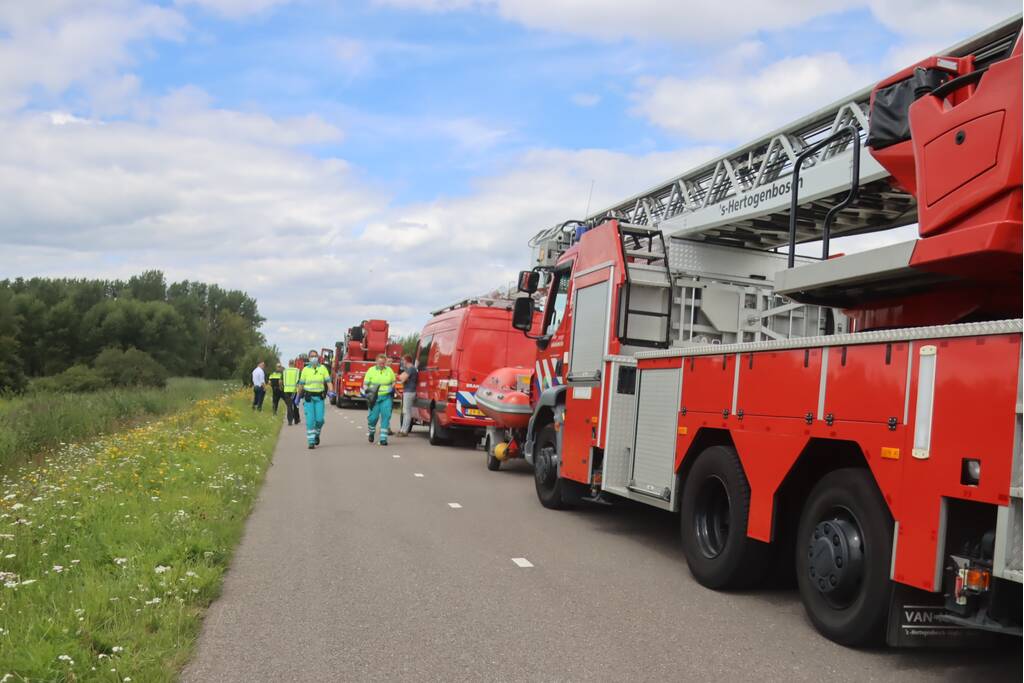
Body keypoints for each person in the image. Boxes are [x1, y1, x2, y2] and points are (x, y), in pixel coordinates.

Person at [296, 349, 331, 449]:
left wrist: (331, 391)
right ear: (309, 358)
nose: (313, 358)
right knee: (310, 421)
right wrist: (298, 397)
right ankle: (311, 441)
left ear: (318, 357)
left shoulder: (323, 369)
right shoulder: (305, 370)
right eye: (311, 356)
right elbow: (301, 384)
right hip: (308, 398)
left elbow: (328, 381)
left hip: (319, 397)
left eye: (315, 356)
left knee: (320, 420)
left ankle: (317, 434)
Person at [363, 354, 396, 446]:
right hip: (374, 398)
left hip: (386, 398)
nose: (382, 364)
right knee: (373, 418)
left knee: (386, 416)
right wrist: (367, 392)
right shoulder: (371, 371)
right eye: (380, 362)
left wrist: (392, 388)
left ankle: (383, 439)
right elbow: (365, 384)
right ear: (376, 362)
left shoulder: (389, 370)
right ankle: (371, 432)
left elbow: (393, 381)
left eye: (383, 362)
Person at [397, 355, 418, 436]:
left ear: (406, 360)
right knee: (405, 411)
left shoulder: (411, 369)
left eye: (403, 360)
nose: (402, 362)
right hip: (408, 391)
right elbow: (401, 377)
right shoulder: (410, 369)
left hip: (409, 391)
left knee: (407, 411)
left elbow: (402, 379)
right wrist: (402, 377)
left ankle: (404, 431)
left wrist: (402, 377)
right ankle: (402, 429)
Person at [282, 359, 300, 426]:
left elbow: (281, 381)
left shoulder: (284, 371)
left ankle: (290, 421)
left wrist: (282, 387)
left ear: (288, 364)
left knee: (289, 406)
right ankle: (296, 420)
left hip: (286, 390)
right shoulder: (297, 371)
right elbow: (300, 381)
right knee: (295, 405)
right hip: (294, 391)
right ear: (294, 363)